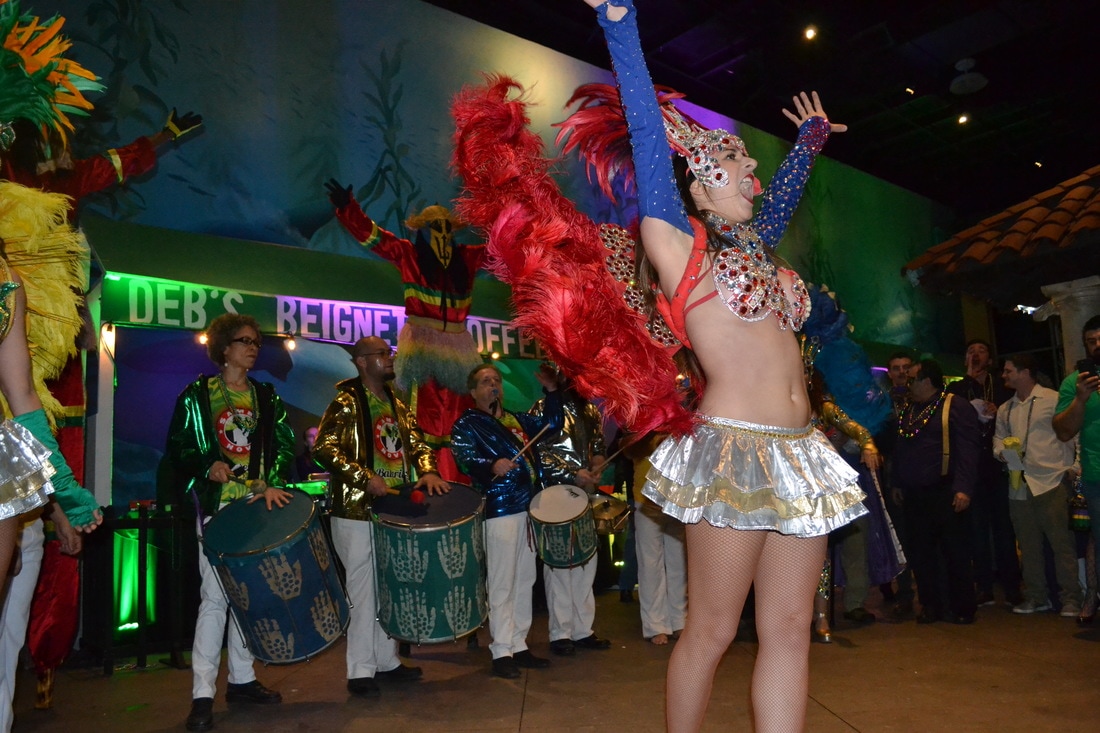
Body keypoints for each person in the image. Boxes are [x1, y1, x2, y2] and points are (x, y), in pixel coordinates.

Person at [570, 4, 866, 730]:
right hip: (733, 449)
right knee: (712, 630)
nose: (752, 172)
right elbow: (648, 133)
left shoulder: (757, 249)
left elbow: (782, 195)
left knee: (789, 629)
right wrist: (620, 27)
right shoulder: (678, 246)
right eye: (736, 164)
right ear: (699, 187)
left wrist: (809, 142)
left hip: (802, 453)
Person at [165, 313, 295, 732]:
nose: (253, 348)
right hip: (217, 510)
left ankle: (242, 680)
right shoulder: (198, 394)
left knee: (249, 597)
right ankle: (202, 695)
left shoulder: (266, 396)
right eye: (244, 341)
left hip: (256, 508)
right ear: (224, 348)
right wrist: (209, 466)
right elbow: (179, 446)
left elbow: (283, 446)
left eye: (256, 342)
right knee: (215, 599)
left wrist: (272, 484)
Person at [312, 336, 447, 698]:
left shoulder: (396, 402)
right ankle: (360, 671)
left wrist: (428, 470)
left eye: (390, 353)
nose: (390, 359)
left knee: (388, 586)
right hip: (355, 511)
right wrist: (363, 477)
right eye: (382, 354)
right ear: (361, 361)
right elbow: (324, 448)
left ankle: (386, 661)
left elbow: (417, 443)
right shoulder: (346, 401)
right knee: (362, 590)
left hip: (392, 510)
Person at [326, 181, 485, 482]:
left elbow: (503, 249)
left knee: (460, 416)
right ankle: (424, 476)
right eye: (434, 228)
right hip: (422, 344)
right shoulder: (409, 254)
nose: (441, 234)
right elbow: (374, 237)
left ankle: (460, 483)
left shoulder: (467, 257)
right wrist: (349, 208)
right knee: (421, 413)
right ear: (422, 230)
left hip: (459, 347)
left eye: (446, 228)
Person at [450, 363, 564, 679]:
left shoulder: (516, 419)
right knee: (502, 581)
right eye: (486, 381)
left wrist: (552, 391)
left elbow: (552, 425)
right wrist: (491, 464)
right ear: (473, 391)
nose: (493, 385)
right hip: (499, 509)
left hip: (528, 507)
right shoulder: (468, 423)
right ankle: (501, 651)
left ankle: (519, 643)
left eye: (496, 380)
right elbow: (463, 458)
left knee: (525, 579)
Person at [529, 369, 612, 656]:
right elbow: (539, 453)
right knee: (560, 564)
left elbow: (598, 444)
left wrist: (597, 465)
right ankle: (560, 633)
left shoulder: (589, 409)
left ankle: (582, 630)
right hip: (555, 494)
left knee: (586, 562)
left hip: (583, 493)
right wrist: (572, 473)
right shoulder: (543, 408)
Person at [893, 359, 980, 625]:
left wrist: (963, 488)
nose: (907, 383)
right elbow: (901, 449)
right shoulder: (910, 409)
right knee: (921, 553)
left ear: (927, 381)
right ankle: (930, 605)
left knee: (955, 552)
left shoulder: (955, 405)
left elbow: (968, 450)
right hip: (915, 494)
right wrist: (897, 482)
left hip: (946, 490)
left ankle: (962, 607)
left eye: (912, 379)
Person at [993, 353, 1080, 616]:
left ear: (1025, 372)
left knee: (1061, 544)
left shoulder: (1053, 399)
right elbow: (998, 439)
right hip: (1018, 482)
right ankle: (1035, 596)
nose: (1004, 375)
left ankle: (1071, 598)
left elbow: (1075, 433)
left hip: (1052, 480)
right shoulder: (1005, 408)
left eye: (1009, 370)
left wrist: (1075, 468)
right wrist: (1003, 453)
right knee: (1027, 545)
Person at [947, 339, 1022, 607]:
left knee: (1004, 529)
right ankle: (984, 586)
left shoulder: (1002, 386)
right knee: (976, 530)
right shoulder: (956, 389)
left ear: (990, 359)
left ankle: (1012, 586)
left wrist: (996, 409)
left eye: (981, 351)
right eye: (971, 351)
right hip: (972, 468)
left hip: (1000, 466)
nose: (976, 355)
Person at [1053, 314, 1100, 623]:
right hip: (1096, 476)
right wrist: (1081, 400)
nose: (1097, 345)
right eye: (1091, 341)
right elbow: (1063, 431)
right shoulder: (1075, 383)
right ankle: (1092, 596)